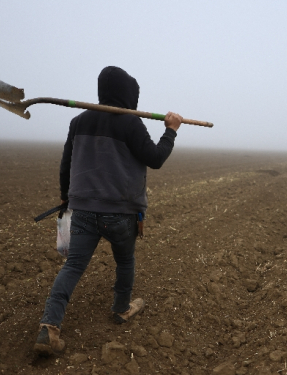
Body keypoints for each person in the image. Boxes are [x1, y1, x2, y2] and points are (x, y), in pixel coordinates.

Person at [34, 66, 183, 356]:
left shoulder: (78, 122)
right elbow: (155, 159)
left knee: (73, 266)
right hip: (121, 214)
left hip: (84, 210)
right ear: (129, 94)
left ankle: (49, 328)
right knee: (125, 261)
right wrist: (170, 131)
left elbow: (66, 163)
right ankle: (121, 308)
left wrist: (66, 197)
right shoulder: (130, 123)